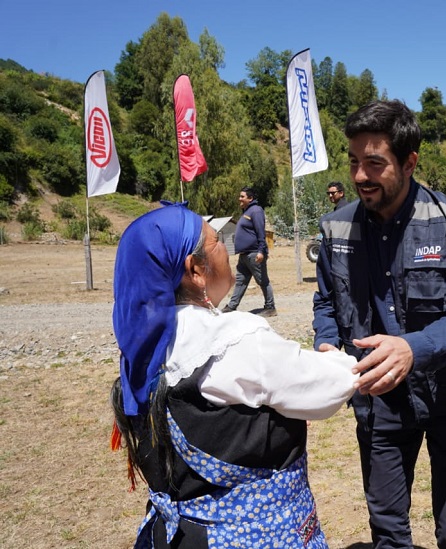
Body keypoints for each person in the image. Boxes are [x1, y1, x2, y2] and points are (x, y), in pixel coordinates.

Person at [110, 202, 358, 548]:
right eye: (217, 242)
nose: (227, 251)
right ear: (196, 270)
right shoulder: (233, 343)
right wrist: (340, 361)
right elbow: (326, 389)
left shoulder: (141, 350)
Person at [312, 100, 446, 548]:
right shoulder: (335, 229)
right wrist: (326, 343)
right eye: (354, 162)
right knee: (389, 532)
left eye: (374, 163)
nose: (359, 176)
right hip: (380, 405)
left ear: (409, 162)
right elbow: (327, 302)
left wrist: (413, 348)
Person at [221, 186, 277, 316]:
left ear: (250, 198)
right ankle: (232, 306)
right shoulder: (247, 211)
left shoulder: (256, 211)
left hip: (254, 253)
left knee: (262, 280)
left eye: (242, 196)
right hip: (245, 255)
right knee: (240, 281)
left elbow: (260, 232)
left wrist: (261, 251)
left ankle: (270, 307)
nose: (239, 199)